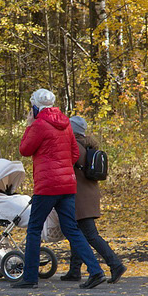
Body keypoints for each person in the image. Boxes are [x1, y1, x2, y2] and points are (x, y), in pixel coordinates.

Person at [12, 89, 106, 289]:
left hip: (47, 186)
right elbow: (73, 153)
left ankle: (29, 277)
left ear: (36, 107)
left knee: (34, 229)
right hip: (67, 185)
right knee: (72, 229)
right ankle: (96, 271)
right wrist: (61, 166)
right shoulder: (65, 123)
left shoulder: (38, 125)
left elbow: (25, 150)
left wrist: (29, 126)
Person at [58, 115, 127, 284]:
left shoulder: (74, 146)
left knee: (90, 235)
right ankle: (74, 270)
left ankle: (115, 264)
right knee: (77, 232)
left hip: (80, 197)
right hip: (89, 194)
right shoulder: (87, 146)